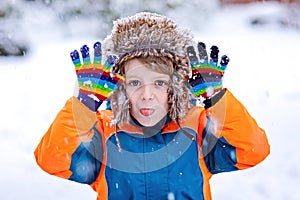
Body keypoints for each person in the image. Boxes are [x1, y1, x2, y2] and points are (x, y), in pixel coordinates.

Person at [34, 12, 270, 200]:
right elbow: (52, 159)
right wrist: (83, 106)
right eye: (135, 82)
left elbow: (252, 151)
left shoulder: (196, 128)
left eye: (159, 83)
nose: (147, 95)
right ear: (120, 86)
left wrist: (216, 99)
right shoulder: (105, 131)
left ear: (176, 87)